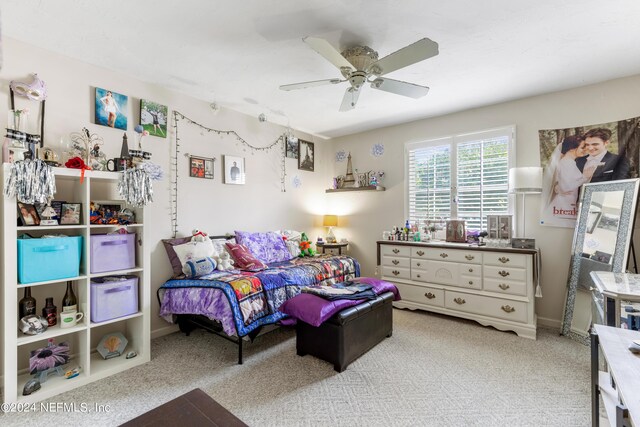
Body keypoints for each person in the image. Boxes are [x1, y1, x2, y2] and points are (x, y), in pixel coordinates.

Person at [546, 135, 592, 216]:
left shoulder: (569, 162)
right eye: (582, 147)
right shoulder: (567, 163)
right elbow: (566, 187)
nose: (585, 150)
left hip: (568, 203)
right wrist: (585, 177)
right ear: (571, 149)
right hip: (564, 204)